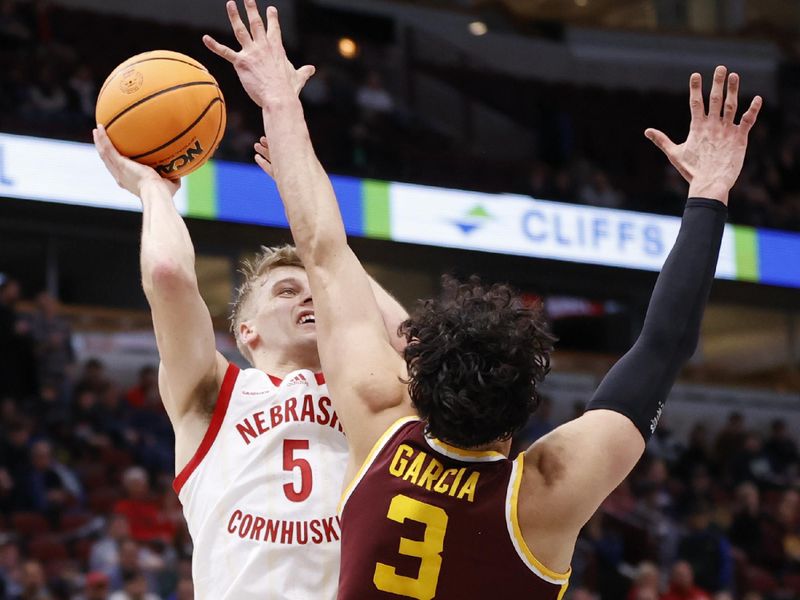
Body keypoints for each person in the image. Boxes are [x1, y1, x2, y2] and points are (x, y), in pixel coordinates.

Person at [205, 5, 762, 597]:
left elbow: (322, 246)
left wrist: (280, 105)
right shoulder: (545, 494)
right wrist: (708, 192)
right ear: (527, 403)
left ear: (414, 380)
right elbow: (664, 343)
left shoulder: (380, 418)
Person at [92, 11, 408, 595]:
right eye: (286, 291)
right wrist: (153, 191)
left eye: (315, 292)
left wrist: (325, 250)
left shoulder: (377, 392)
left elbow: (404, 336)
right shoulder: (213, 395)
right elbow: (166, 272)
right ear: (246, 332)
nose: (307, 298)